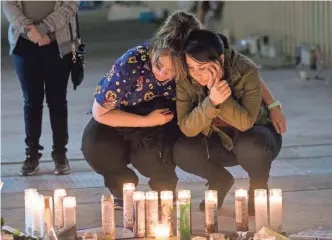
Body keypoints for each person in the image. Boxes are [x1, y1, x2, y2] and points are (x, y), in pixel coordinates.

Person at [81, 10, 201, 209]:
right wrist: (147, 121)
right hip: (121, 114)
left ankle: (164, 192)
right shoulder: (132, 61)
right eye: (159, 65)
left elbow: (240, 69)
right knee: (96, 145)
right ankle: (122, 189)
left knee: (154, 154)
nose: (163, 74)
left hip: (162, 120)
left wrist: (272, 105)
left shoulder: (195, 65)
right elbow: (100, 112)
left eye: (173, 71)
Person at [172, 29, 284, 214]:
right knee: (183, 150)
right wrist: (211, 101)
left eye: (202, 67)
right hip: (217, 139)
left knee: (252, 146)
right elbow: (187, 128)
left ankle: (258, 187)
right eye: (191, 67)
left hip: (255, 136)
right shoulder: (185, 78)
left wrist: (220, 95)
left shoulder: (245, 70)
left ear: (220, 60)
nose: (196, 74)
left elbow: (245, 123)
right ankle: (219, 180)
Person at [3, 1, 79, 176]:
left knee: (57, 101)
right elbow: (9, 4)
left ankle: (60, 154)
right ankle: (32, 155)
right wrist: (30, 30)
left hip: (58, 45)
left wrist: (42, 29)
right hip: (24, 43)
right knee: (31, 101)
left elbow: (71, 5)